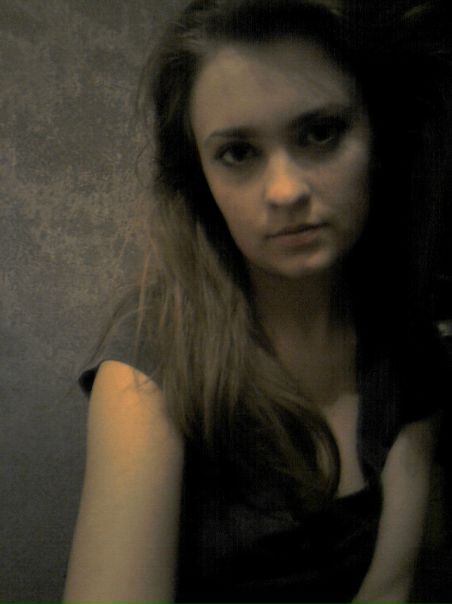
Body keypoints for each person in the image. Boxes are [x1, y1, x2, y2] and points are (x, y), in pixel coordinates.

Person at [63, 0, 451, 602]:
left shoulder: (403, 340)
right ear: (199, 179)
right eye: (239, 153)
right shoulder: (149, 369)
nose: (286, 191)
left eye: (320, 133)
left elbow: (389, 587)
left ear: (380, 136)